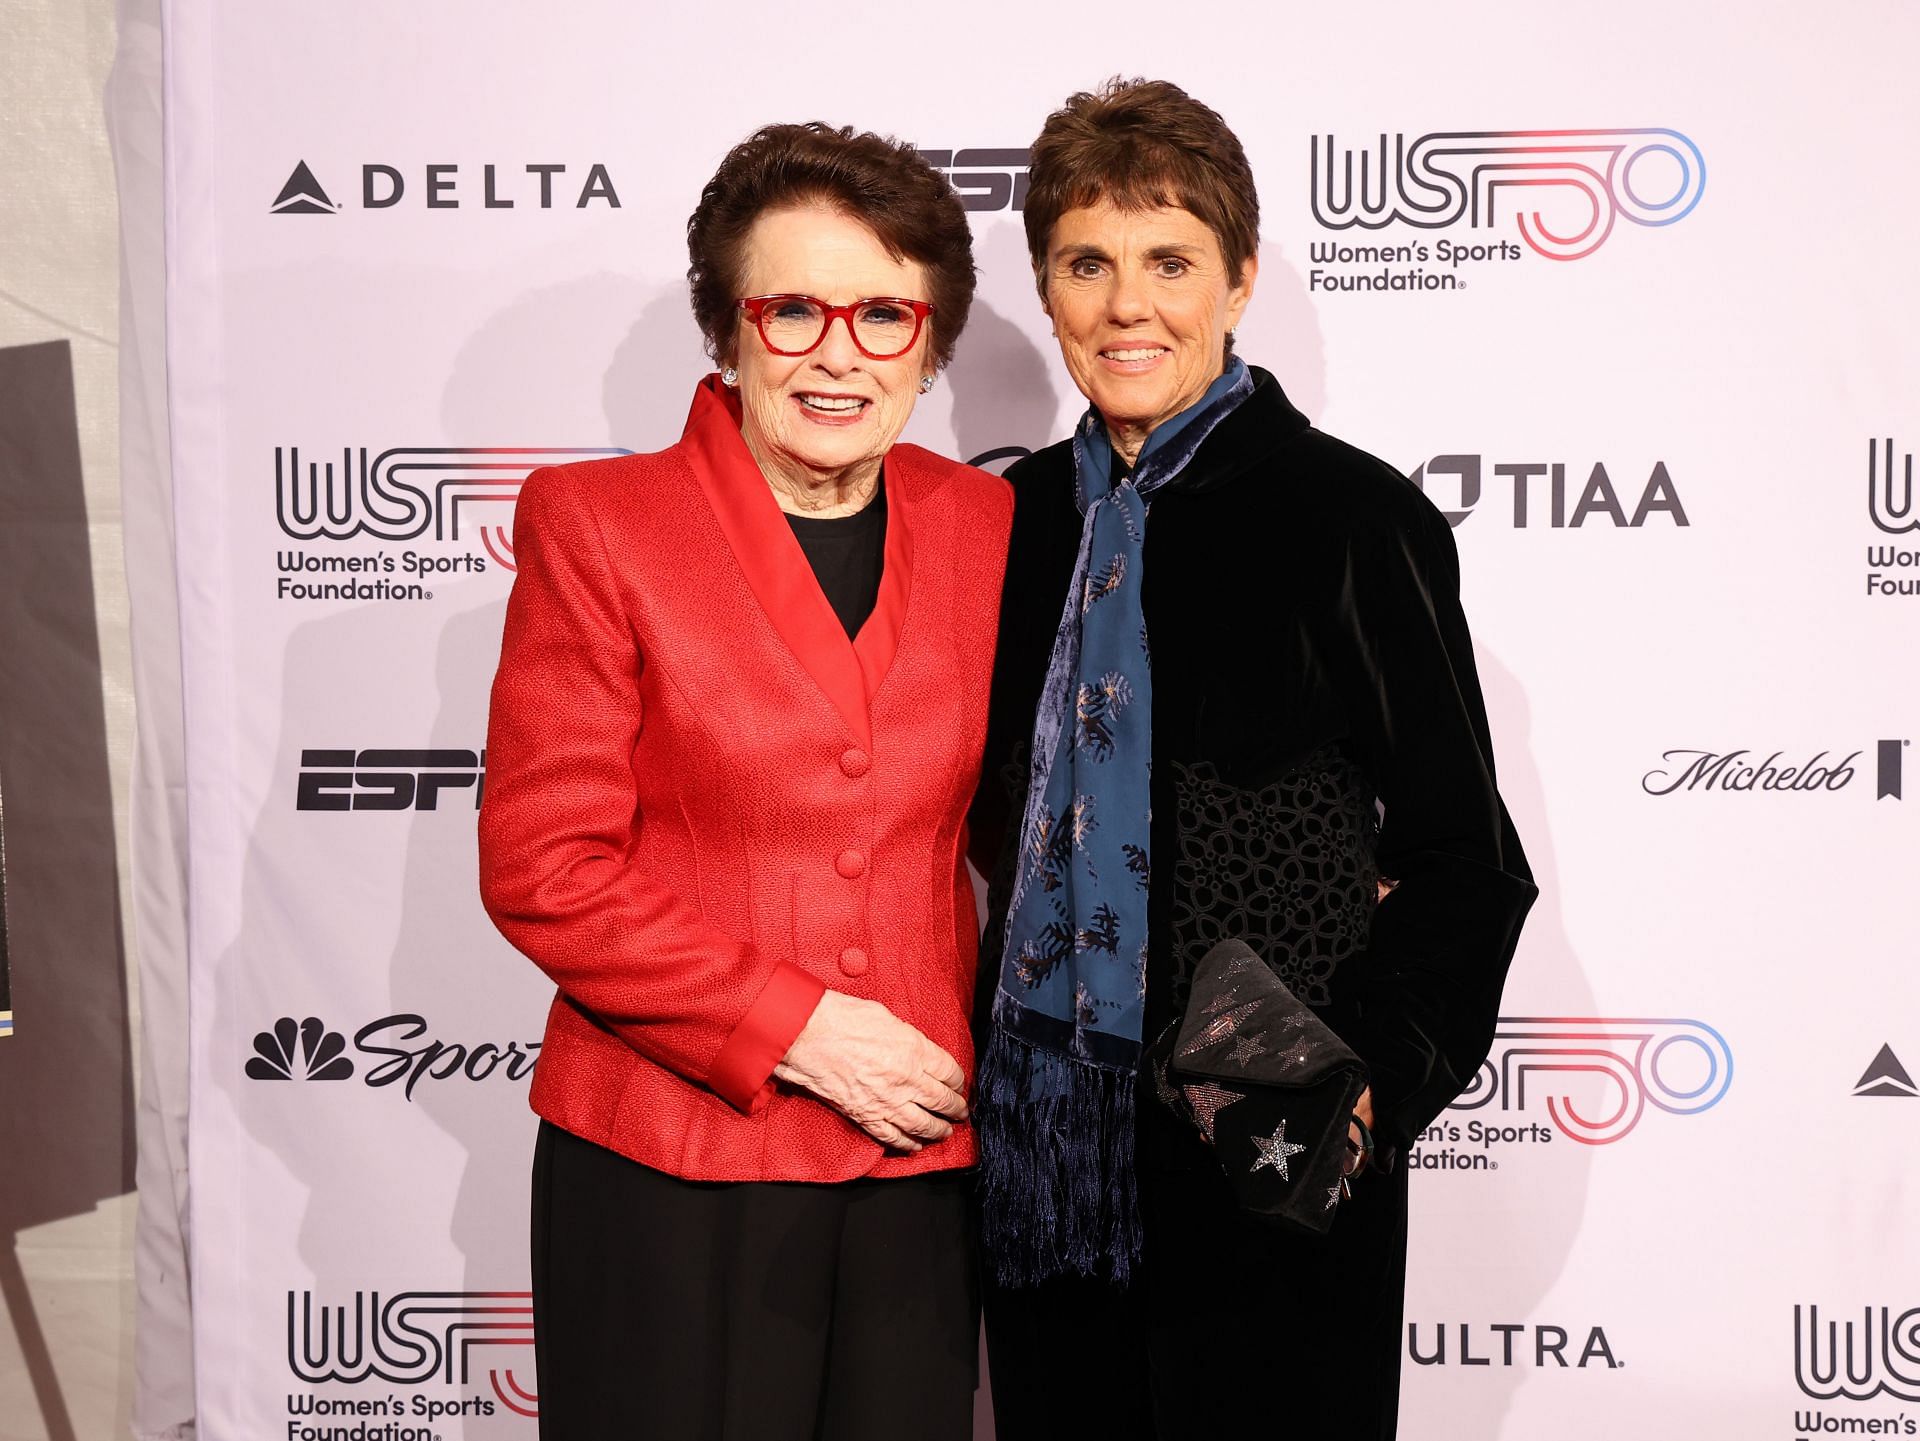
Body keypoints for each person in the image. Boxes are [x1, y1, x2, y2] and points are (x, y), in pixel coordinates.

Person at [968, 79, 1537, 1440]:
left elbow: (1467, 858)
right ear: (1046, 287)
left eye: (1169, 262)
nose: (1126, 307)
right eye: (1086, 263)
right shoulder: (1009, 524)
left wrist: (1361, 1089)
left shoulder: (1350, 518)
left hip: (1272, 1163)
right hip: (1050, 1161)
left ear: (1241, 280)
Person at [478, 122, 1010, 1439]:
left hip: (916, 1158)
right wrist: (799, 1026)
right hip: (675, 1162)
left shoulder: (990, 527)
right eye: (795, 309)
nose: (841, 352)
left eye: (886, 312)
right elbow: (545, 868)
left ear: (933, 343)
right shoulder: (600, 527)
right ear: (729, 326)